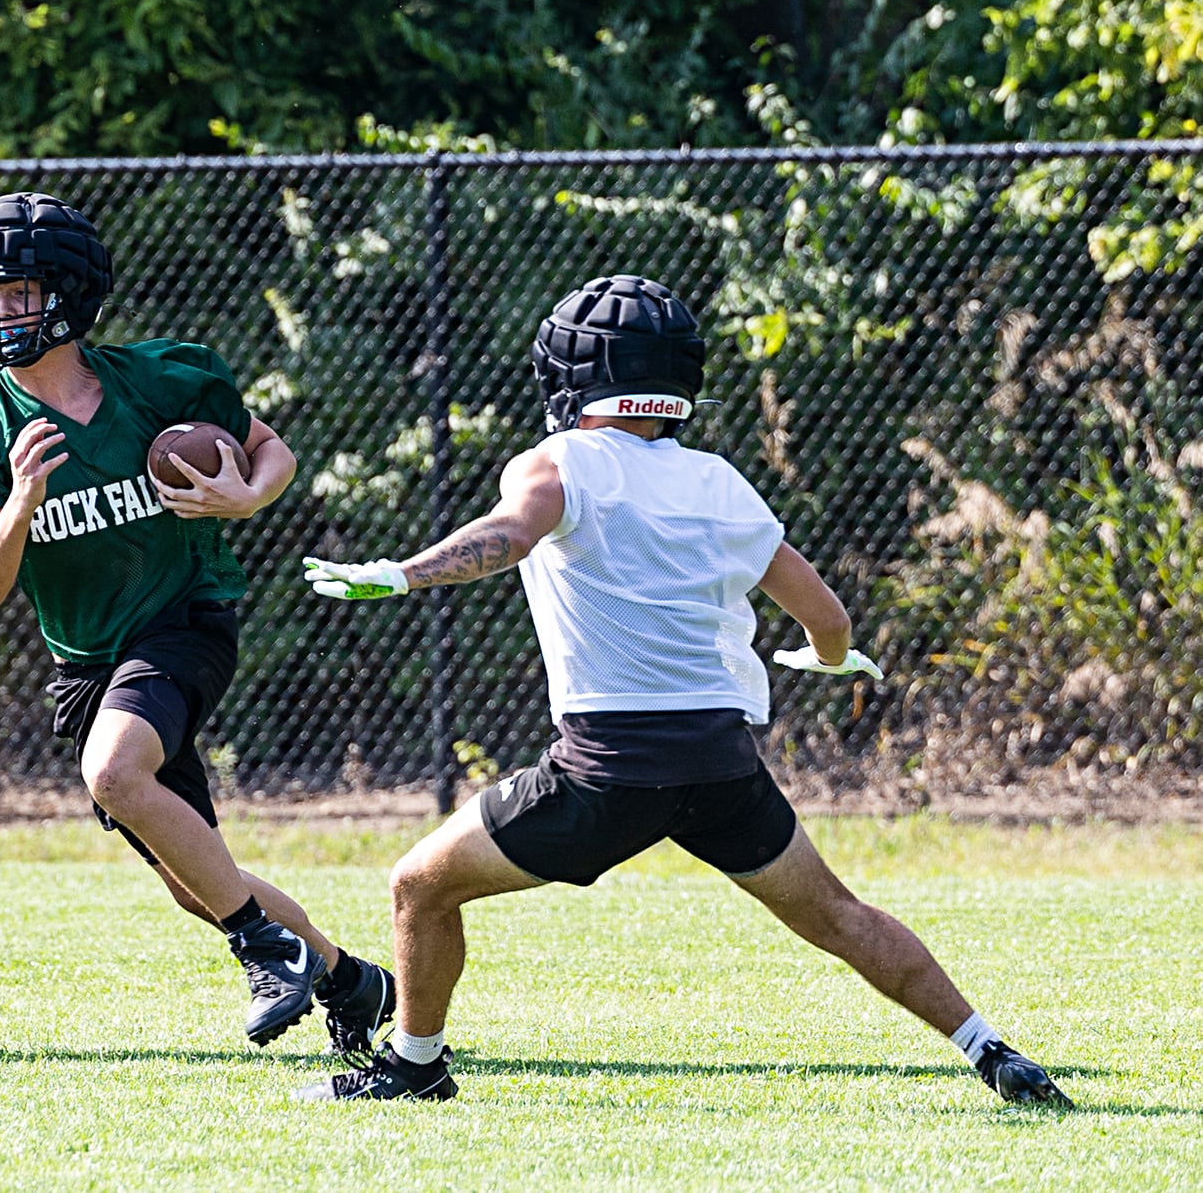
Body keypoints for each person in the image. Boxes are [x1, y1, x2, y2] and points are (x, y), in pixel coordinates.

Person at [297, 275, 1070, 1106]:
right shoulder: (718, 480)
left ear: (570, 372)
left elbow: (508, 536)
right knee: (841, 916)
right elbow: (828, 616)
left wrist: (398, 575)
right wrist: (830, 659)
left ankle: (414, 1066)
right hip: (720, 766)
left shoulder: (557, 462)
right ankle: (992, 1052)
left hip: (608, 770)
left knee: (419, 884)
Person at [0, 192, 395, 1055]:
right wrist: (20, 498)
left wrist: (247, 493)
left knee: (113, 768)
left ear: (68, 290)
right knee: (193, 876)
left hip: (184, 620)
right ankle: (350, 980)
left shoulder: (163, 379)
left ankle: (261, 951)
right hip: (87, 661)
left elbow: (269, 446)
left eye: (17, 291)